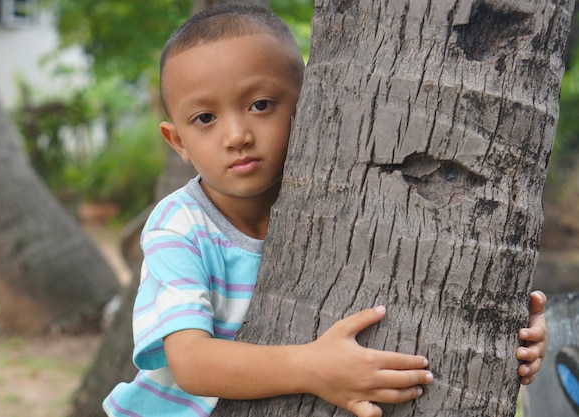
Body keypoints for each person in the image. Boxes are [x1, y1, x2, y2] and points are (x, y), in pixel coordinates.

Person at [103, 5, 547, 417]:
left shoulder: (341, 201)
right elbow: (191, 363)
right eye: (205, 118)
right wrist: (312, 367)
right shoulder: (178, 226)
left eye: (261, 105)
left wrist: (504, 334)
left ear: (311, 105)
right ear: (177, 141)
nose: (237, 135)